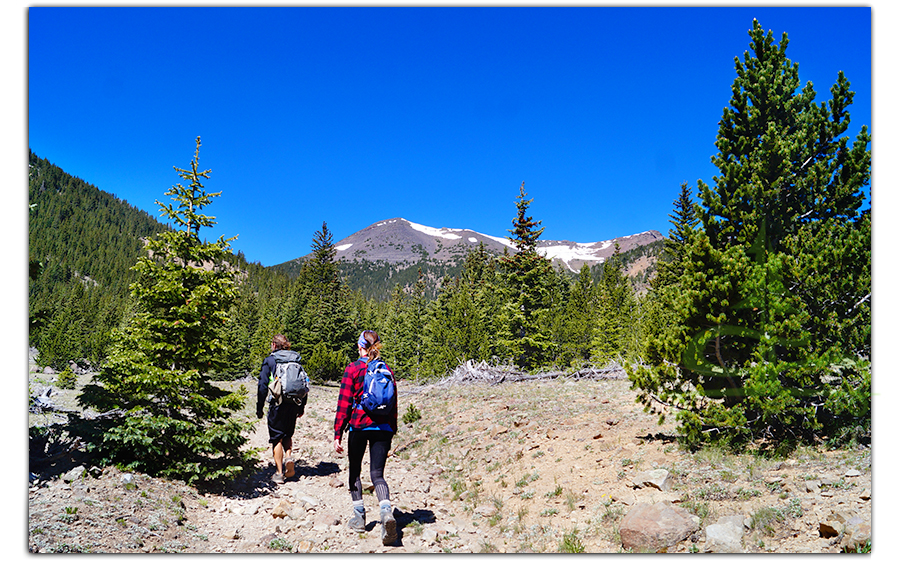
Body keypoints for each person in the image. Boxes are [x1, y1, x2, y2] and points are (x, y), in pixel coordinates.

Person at [333, 330, 398, 546]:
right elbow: (394, 402)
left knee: (355, 471)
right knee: (377, 475)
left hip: (359, 425)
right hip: (383, 427)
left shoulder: (353, 368)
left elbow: (343, 403)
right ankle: (386, 512)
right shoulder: (386, 368)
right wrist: (392, 428)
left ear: (360, 346)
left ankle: (359, 518)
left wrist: (337, 433)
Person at [257, 334, 307, 485]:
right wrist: (302, 406)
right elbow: (304, 384)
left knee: (276, 437)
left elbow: (262, 386)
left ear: (274, 345)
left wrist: (259, 407)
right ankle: (289, 457)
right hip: (294, 402)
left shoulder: (270, 360)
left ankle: (279, 473)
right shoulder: (296, 360)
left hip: (277, 403)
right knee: (287, 433)